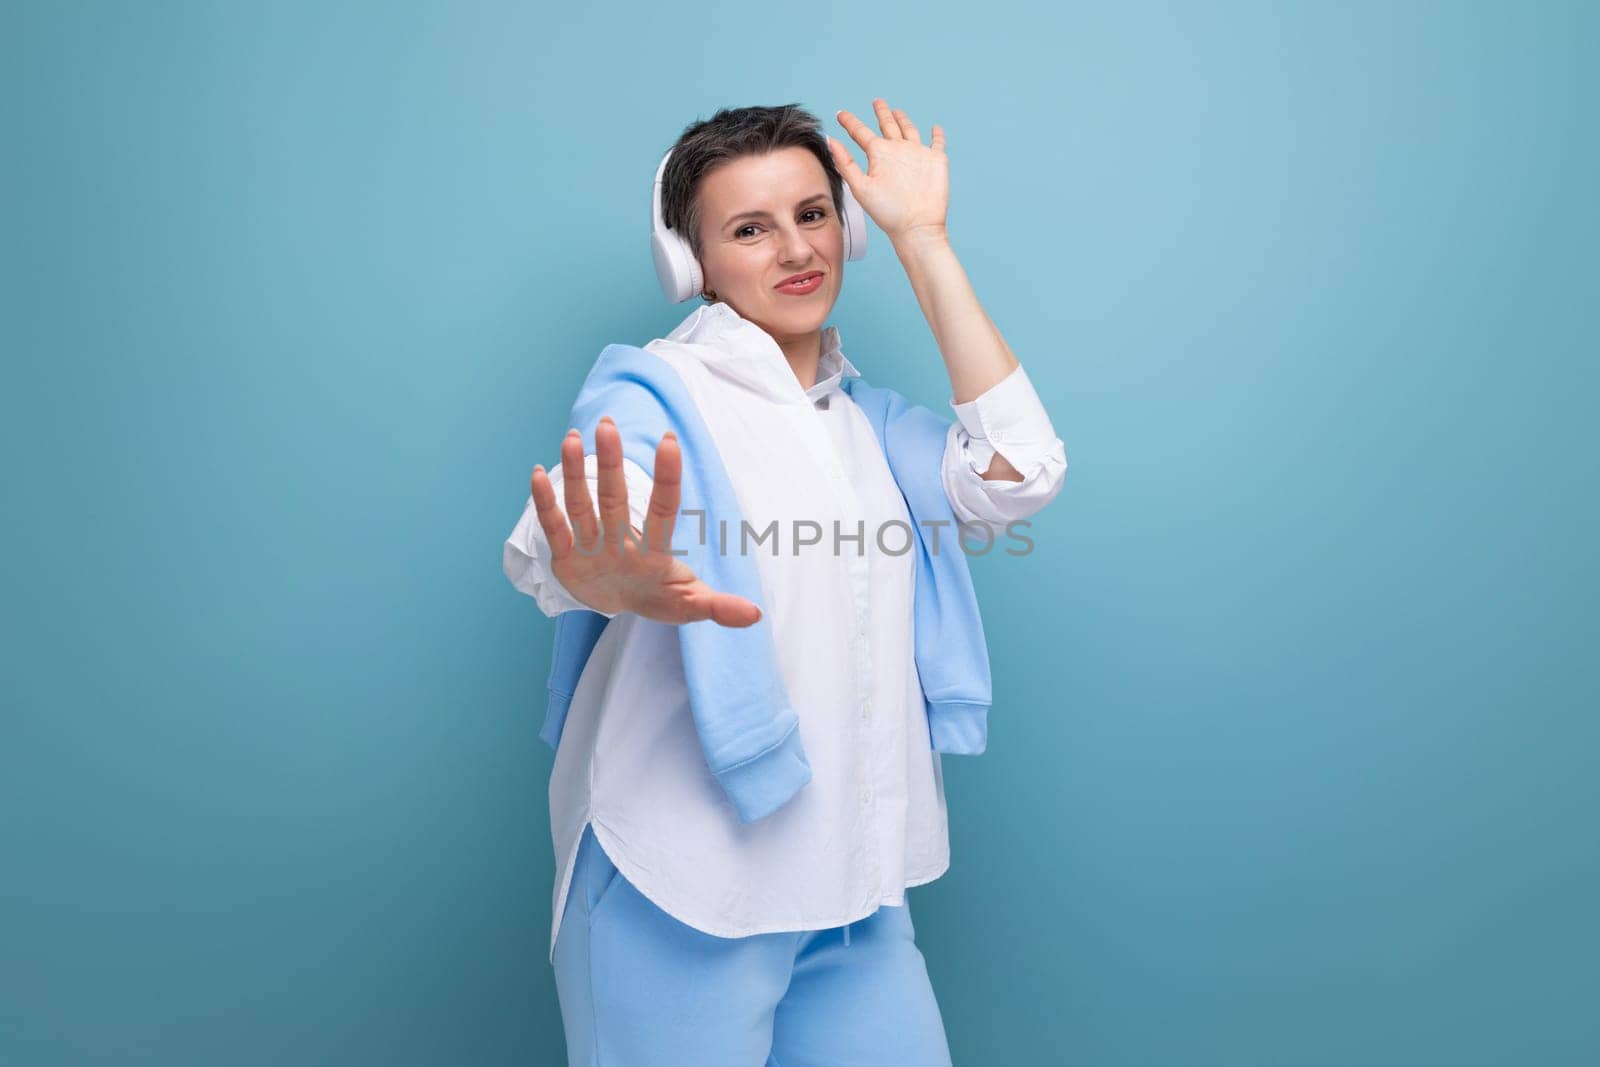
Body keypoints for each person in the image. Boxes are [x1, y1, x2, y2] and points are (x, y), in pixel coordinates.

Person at [503, 99, 1067, 1066]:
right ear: (693, 263)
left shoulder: (871, 425)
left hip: (851, 895)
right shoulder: (653, 393)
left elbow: (1022, 469)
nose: (795, 249)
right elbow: (588, 527)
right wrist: (600, 570)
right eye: (749, 229)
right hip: (675, 887)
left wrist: (924, 239)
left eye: (813, 214)